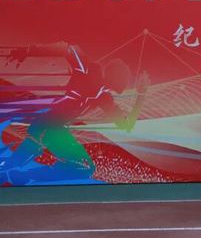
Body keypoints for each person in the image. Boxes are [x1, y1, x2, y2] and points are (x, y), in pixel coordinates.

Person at [0, 42, 147, 185]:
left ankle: (20, 175)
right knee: (82, 166)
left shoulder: (104, 98)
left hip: (52, 129)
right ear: (116, 75)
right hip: (48, 125)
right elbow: (68, 49)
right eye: (125, 77)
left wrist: (141, 95)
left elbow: (126, 125)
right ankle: (18, 174)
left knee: (82, 166)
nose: (127, 81)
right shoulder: (88, 71)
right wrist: (28, 51)